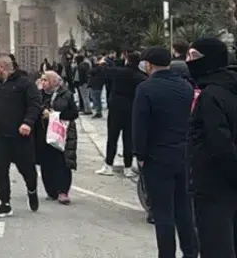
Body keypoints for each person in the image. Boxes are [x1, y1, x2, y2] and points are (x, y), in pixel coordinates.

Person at [134, 46, 199, 258]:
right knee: (184, 209)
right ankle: (191, 252)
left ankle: (167, 254)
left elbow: (140, 125)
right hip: (183, 154)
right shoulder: (185, 86)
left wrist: (140, 154)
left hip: (157, 157)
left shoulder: (145, 89)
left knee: (163, 213)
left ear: (148, 64)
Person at [187, 37, 237, 258]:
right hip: (227, 185)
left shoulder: (210, 96)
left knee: (215, 246)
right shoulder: (228, 88)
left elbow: (219, 144)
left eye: (194, 56)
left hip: (213, 185)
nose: (188, 61)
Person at [0, 53, 43, 217]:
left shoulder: (25, 83)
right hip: (0, 136)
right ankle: (5, 203)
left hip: (21, 137)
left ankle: (32, 190)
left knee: (27, 171)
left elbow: (35, 105)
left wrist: (27, 122)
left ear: (2, 67)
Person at [97, 50, 146, 177]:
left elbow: (104, 70)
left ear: (127, 60)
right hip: (131, 110)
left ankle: (108, 165)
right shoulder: (141, 76)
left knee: (112, 138)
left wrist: (103, 62)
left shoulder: (118, 72)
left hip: (116, 109)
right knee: (128, 139)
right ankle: (128, 167)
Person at [36, 70, 79, 204]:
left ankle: (63, 191)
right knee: (46, 163)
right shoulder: (38, 94)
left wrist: (55, 115)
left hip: (61, 134)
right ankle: (51, 191)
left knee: (62, 162)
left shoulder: (66, 94)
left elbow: (74, 113)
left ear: (53, 81)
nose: (43, 83)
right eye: (42, 80)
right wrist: (41, 111)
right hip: (44, 134)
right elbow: (32, 108)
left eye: (46, 80)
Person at [88, 55, 107, 119]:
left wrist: (96, 64)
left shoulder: (99, 67)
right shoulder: (100, 67)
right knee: (96, 98)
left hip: (97, 85)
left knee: (97, 99)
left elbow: (91, 71)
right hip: (97, 85)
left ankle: (99, 112)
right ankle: (98, 111)